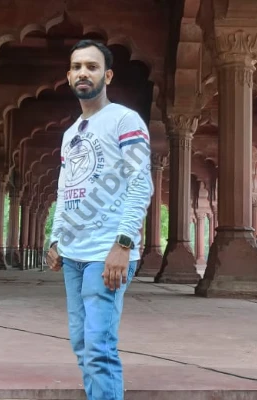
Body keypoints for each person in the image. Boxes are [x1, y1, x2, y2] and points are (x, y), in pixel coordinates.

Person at [46, 39, 153, 400]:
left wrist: (123, 244)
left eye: (92, 67)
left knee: (98, 348)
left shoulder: (124, 120)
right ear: (68, 76)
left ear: (107, 76)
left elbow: (140, 183)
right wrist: (56, 238)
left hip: (106, 253)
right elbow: (65, 189)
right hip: (74, 255)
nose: (83, 73)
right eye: (77, 67)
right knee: (82, 343)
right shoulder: (69, 134)